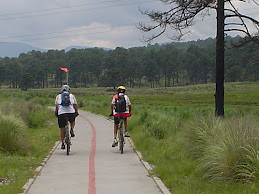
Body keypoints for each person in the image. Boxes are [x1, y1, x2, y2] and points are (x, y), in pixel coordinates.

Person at [55, 85, 79, 149]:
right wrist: (76, 112)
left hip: (61, 114)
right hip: (70, 113)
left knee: (62, 128)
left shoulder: (58, 96)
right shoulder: (72, 96)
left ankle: (62, 143)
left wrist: (56, 113)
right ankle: (71, 129)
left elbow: (57, 107)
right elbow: (75, 105)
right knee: (73, 120)